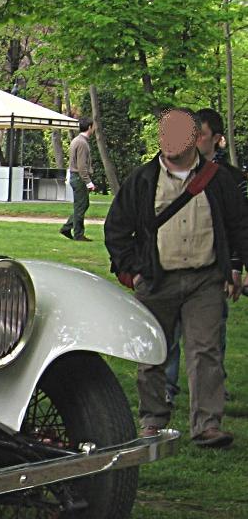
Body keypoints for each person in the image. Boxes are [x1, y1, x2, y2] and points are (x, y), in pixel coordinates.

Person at [104, 108, 248, 448]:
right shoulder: (142, 180)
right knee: (152, 353)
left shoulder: (220, 179)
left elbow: (238, 225)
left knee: (206, 353)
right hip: (157, 280)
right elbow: (117, 230)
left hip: (205, 280)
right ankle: (152, 420)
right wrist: (134, 273)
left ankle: (207, 425)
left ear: (195, 138)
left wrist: (235, 267)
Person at [163, 108, 246, 404]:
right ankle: (166, 391)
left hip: (211, 270)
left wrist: (235, 268)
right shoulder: (166, 172)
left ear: (217, 139)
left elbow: (238, 226)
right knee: (167, 337)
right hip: (168, 268)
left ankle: (211, 393)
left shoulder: (231, 179)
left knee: (209, 340)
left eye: (201, 135)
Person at [60, 117, 97, 241]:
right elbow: (81, 166)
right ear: (89, 127)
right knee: (81, 206)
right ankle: (78, 234)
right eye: (93, 126)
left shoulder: (77, 140)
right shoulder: (82, 143)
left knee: (81, 205)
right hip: (79, 178)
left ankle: (68, 228)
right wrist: (88, 182)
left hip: (75, 176)